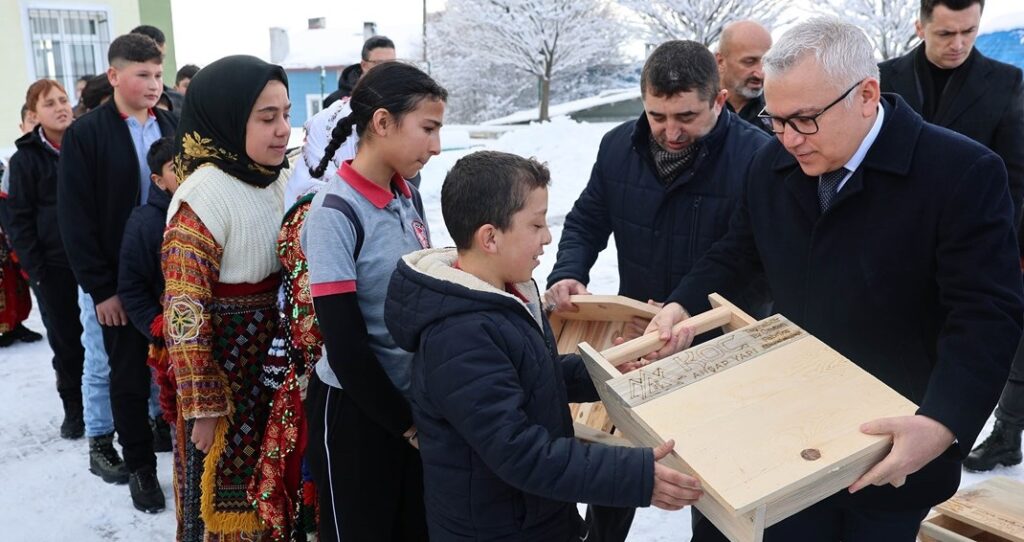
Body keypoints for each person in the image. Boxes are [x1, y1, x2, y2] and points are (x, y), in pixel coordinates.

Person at [644, 17, 1024, 541]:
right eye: (774, 121)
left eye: (804, 120)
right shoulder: (771, 164)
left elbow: (986, 316)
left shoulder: (961, 172)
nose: (788, 139)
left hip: (888, 446)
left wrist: (941, 423)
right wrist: (683, 304)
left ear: (866, 95)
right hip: (785, 426)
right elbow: (740, 251)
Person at [384, 150, 702, 540]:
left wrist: (602, 373)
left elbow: (531, 374)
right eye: (536, 225)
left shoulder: (502, 293)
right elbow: (518, 451)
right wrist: (632, 476)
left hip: (533, 517)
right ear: (490, 238)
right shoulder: (459, 336)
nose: (548, 237)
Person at [299, 61, 444, 541]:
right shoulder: (335, 212)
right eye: (427, 128)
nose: (436, 146)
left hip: (410, 406)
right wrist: (407, 426)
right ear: (382, 123)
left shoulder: (409, 197)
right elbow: (346, 345)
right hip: (357, 413)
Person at [880, 0, 1024, 473]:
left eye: (969, 31)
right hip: (890, 247)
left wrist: (1006, 254)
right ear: (920, 26)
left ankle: (976, 434)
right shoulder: (882, 78)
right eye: (945, 33)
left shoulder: (1006, 82)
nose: (958, 44)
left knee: (970, 342)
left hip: (971, 245)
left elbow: (1016, 179)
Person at [161, 54, 299, 540]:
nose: (283, 129)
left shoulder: (281, 177)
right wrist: (202, 404)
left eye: (286, 113)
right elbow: (183, 311)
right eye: (267, 118)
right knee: (223, 511)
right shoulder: (203, 197)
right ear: (226, 118)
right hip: (227, 382)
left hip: (278, 370)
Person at [546, 40, 772, 331]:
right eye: (657, 116)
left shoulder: (758, 157)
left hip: (723, 339)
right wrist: (568, 272)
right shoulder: (616, 147)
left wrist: (687, 306)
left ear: (719, 101)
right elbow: (586, 222)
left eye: (686, 116)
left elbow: (755, 259)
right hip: (639, 331)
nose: (672, 132)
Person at [58, 32, 176, 513]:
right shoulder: (88, 134)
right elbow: (75, 217)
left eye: (158, 74)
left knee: (170, 365)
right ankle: (141, 469)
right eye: (142, 75)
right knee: (124, 372)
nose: (153, 84)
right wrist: (102, 288)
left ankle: (169, 439)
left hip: (171, 270)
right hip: (118, 278)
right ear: (114, 76)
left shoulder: (172, 124)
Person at [6, 79, 84, 442]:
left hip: (93, 261)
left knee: (109, 341)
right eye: (50, 103)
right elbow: (18, 220)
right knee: (66, 341)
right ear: (35, 115)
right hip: (53, 267)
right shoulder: (25, 160)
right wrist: (36, 271)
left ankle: (110, 407)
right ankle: (74, 409)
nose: (61, 107)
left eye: (64, 100)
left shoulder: (85, 146)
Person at [286, 36, 401, 205]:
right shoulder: (336, 106)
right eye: (379, 64)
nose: (386, 71)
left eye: (392, 65)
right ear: (364, 65)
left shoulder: (401, 101)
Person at [117, 136, 177, 454]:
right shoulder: (145, 222)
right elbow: (131, 286)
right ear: (158, 179)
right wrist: (158, 326)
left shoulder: (209, 208)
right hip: (167, 338)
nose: (185, 172)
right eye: (174, 167)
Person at [716, 20, 774, 134]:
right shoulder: (699, 110)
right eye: (749, 62)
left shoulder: (779, 114)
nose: (760, 73)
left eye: (766, 62)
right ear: (721, 61)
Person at [322, 35, 396, 108]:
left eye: (391, 63)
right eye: (379, 63)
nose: (387, 68)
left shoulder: (403, 97)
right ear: (364, 65)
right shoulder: (336, 102)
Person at [130, 25, 184, 116]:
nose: (159, 62)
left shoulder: (179, 100)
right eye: (152, 56)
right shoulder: (114, 100)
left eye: (162, 57)